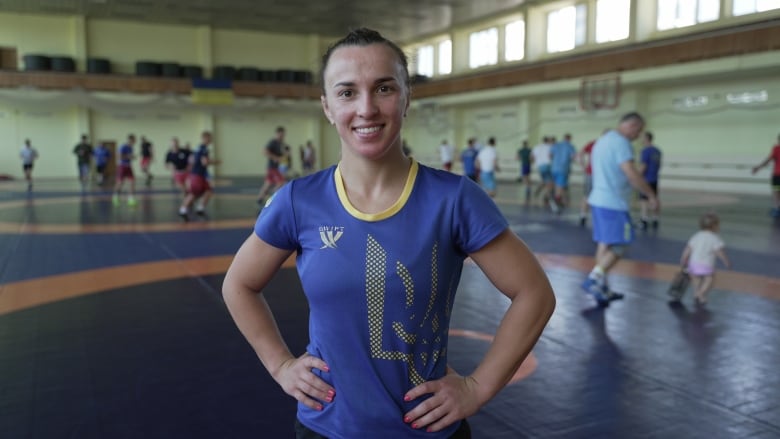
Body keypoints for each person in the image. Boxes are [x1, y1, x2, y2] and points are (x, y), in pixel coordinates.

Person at [222, 28, 556, 439]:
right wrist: (280, 365)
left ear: (407, 97)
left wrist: (477, 387)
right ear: (327, 106)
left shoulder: (454, 199)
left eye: (383, 88)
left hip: (429, 430)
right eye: (347, 92)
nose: (366, 108)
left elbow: (535, 293)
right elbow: (238, 284)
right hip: (326, 427)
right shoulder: (298, 201)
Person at [581, 112, 659, 305]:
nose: (638, 136)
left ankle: (602, 287)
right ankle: (594, 278)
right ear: (631, 125)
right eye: (638, 131)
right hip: (613, 203)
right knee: (620, 244)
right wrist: (650, 195)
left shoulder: (602, 140)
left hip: (599, 199)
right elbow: (631, 174)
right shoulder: (621, 143)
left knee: (604, 244)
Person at [679, 212, 730, 305]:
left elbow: (688, 248)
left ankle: (696, 293)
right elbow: (719, 251)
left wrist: (683, 258)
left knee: (696, 279)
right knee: (709, 280)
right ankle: (701, 293)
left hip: (693, 264)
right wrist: (726, 261)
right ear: (714, 226)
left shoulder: (696, 235)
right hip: (706, 265)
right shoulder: (715, 238)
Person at [179, 131, 218, 219]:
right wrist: (216, 162)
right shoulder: (203, 149)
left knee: (208, 190)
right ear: (205, 138)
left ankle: (200, 208)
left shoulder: (198, 148)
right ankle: (183, 209)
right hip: (197, 175)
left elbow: (193, 161)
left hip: (199, 175)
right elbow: (205, 162)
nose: (211, 140)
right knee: (194, 193)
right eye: (210, 138)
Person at [751, 133, 780, 217]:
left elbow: (768, 160)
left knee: (776, 192)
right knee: (778, 192)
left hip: (777, 175)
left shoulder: (776, 148)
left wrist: (758, 168)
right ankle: (777, 208)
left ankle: (777, 209)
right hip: (777, 175)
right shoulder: (776, 148)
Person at [257, 126, 287, 205]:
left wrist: (283, 156)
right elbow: (264, 151)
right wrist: (275, 158)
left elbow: (281, 155)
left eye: (283, 135)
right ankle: (272, 200)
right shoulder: (273, 142)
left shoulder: (280, 144)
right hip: (273, 168)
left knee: (268, 184)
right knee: (281, 182)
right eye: (281, 135)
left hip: (274, 167)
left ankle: (259, 200)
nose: (282, 137)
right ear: (277, 134)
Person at [637, 131, 662, 229]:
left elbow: (643, 166)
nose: (641, 140)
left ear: (647, 138)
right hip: (654, 178)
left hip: (646, 179)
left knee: (644, 200)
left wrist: (637, 176)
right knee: (654, 198)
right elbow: (658, 165)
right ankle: (656, 218)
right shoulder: (658, 151)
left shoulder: (645, 151)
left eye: (642, 138)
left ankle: (644, 219)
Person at [549, 133, 577, 212]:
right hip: (563, 168)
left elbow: (550, 155)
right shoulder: (570, 146)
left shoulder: (556, 145)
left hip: (554, 168)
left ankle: (558, 199)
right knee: (560, 186)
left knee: (556, 184)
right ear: (570, 139)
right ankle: (555, 200)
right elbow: (573, 156)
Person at [113, 134, 137, 206]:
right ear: (130, 140)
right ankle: (116, 196)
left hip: (128, 166)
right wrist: (129, 156)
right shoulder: (123, 146)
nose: (134, 142)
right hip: (122, 166)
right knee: (120, 183)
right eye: (133, 140)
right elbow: (119, 156)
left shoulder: (131, 148)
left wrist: (132, 157)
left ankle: (131, 198)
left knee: (132, 181)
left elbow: (129, 157)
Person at [530, 137, 552, 205]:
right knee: (550, 183)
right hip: (547, 166)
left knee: (544, 181)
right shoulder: (550, 147)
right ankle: (546, 197)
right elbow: (551, 155)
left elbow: (532, 156)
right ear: (548, 141)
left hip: (540, 166)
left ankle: (537, 191)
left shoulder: (537, 147)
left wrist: (535, 162)